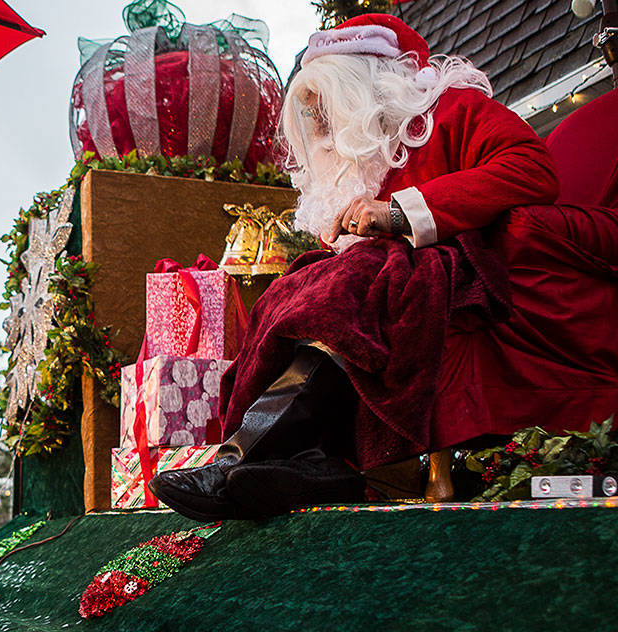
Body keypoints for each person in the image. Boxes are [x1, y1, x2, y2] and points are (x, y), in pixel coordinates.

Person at [149, 13, 562, 521]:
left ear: (362, 91)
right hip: (382, 278)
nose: (320, 127)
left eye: (326, 109)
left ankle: (245, 456)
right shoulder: (370, 154)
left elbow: (532, 168)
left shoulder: (452, 110)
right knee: (292, 290)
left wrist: (396, 213)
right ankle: (309, 461)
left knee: (345, 285)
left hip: (463, 269)